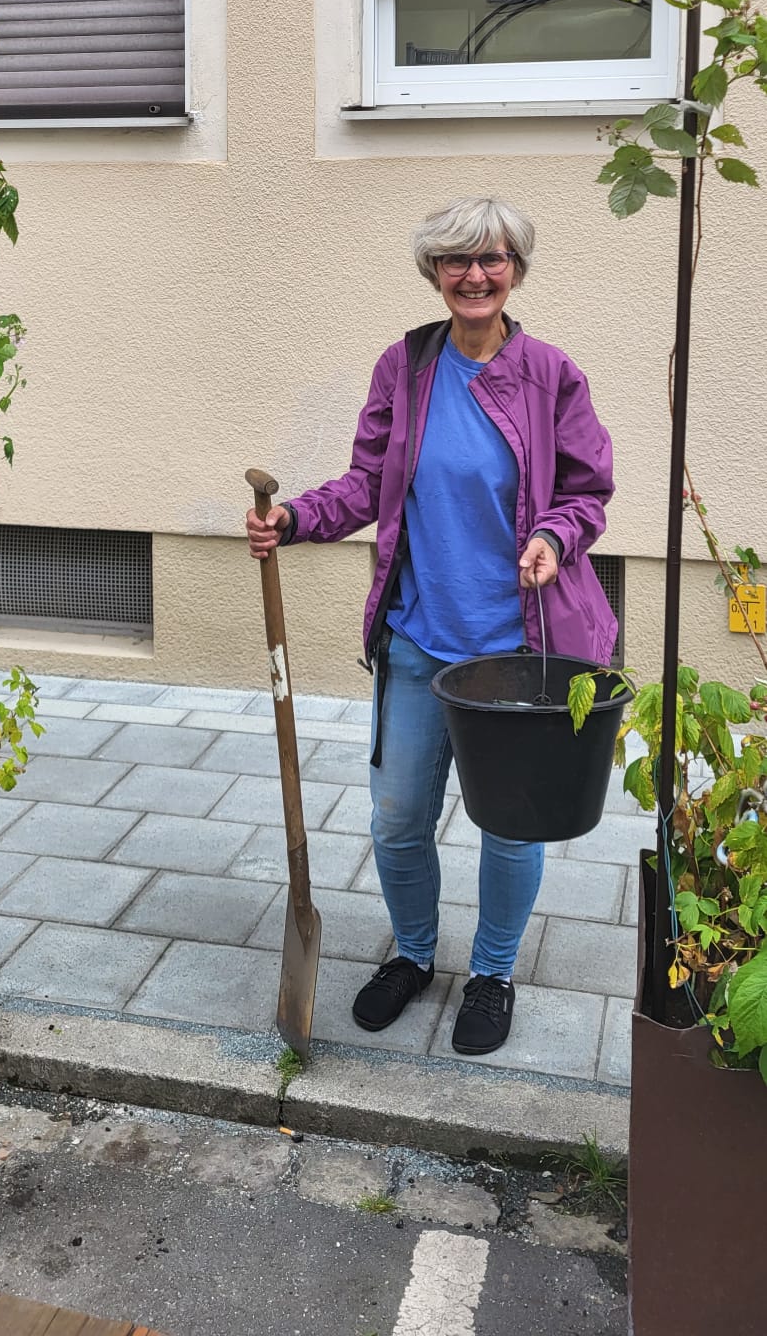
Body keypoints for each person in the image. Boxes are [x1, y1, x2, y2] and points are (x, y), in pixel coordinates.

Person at [246, 196, 616, 1056]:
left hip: (517, 651)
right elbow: (365, 483)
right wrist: (295, 520)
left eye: (492, 259)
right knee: (397, 819)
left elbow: (587, 490)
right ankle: (413, 954)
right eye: (457, 260)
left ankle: (491, 973)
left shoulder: (551, 375)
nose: (474, 275)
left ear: (515, 270)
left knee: (511, 826)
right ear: (434, 272)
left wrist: (556, 535)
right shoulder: (406, 367)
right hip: (418, 644)